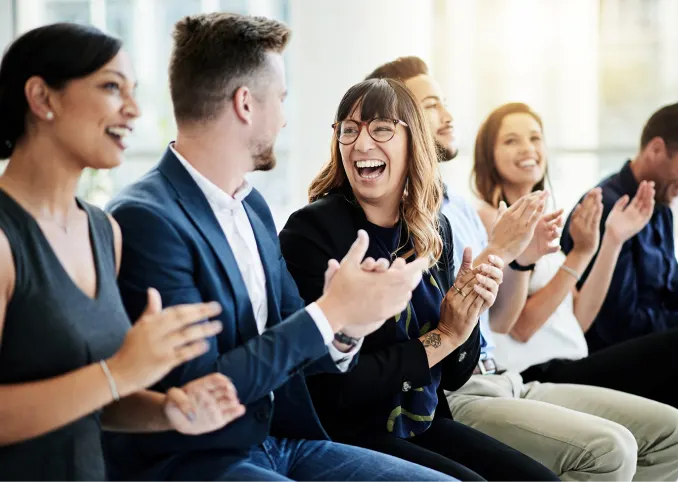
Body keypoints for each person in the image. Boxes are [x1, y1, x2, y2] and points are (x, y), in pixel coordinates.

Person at [104, 13, 457, 482]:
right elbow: (206, 388)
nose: (286, 117)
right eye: (282, 99)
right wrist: (332, 311)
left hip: (285, 440)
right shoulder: (147, 218)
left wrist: (352, 326)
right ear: (246, 104)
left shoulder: (253, 209)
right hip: (200, 458)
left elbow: (301, 342)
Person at [367, 58, 678, 482]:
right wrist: (507, 252)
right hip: (463, 388)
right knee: (611, 449)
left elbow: (499, 321)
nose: (449, 116)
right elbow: (491, 326)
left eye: (444, 103)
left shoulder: (461, 207)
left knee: (676, 433)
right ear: (398, 124)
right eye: (432, 106)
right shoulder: (408, 214)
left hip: (506, 376)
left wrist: (537, 255)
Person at [280, 77, 560, 482]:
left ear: (414, 142)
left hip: (422, 423)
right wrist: (443, 336)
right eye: (349, 130)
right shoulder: (312, 232)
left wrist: (466, 319)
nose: (360, 145)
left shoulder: (431, 228)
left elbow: (453, 375)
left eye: (380, 129)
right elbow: (334, 389)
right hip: (349, 430)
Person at [0, 23, 246, 482]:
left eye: (134, 91)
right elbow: (106, 378)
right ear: (42, 98)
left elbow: (94, 399)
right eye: (112, 87)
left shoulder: (103, 232)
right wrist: (121, 370)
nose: (134, 110)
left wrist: (169, 410)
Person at [561, 101, 678, 352]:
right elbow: (619, 325)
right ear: (656, 149)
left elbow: (675, 294)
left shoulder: (661, 208)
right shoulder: (606, 208)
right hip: (612, 356)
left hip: (655, 346)